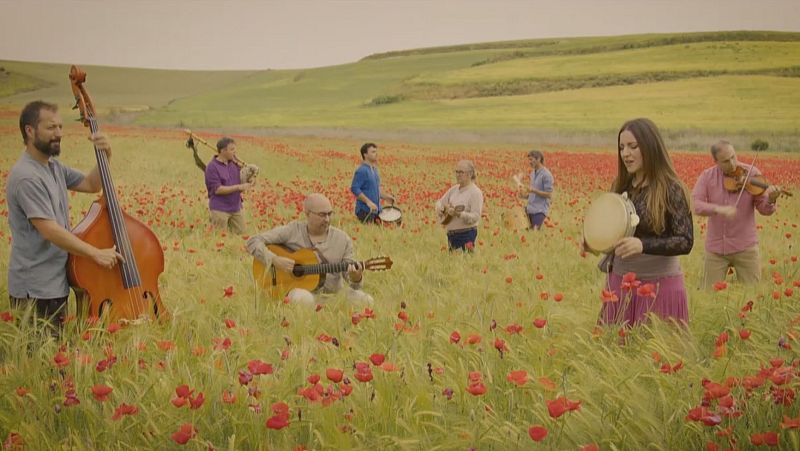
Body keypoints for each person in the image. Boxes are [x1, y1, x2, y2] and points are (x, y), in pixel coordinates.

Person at [6, 101, 123, 329]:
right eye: (51, 128)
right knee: (37, 359)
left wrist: (106, 155)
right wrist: (95, 253)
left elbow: (91, 184)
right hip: (35, 288)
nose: (59, 133)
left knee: (54, 357)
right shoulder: (27, 176)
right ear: (30, 131)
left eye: (60, 127)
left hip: (55, 284)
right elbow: (49, 231)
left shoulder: (53, 167)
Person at [594, 118, 693, 326]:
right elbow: (614, 229)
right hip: (620, 284)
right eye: (621, 147)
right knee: (618, 352)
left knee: (658, 353)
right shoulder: (621, 185)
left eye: (633, 146)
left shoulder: (671, 189)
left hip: (659, 287)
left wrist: (643, 245)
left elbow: (685, 240)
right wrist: (594, 240)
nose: (625, 154)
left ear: (650, 147)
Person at [245, 193, 373, 306]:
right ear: (307, 214)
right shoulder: (292, 230)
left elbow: (354, 285)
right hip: (303, 294)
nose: (327, 219)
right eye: (322, 215)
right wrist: (274, 259)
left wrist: (356, 277)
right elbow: (252, 241)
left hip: (333, 297)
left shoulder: (342, 239)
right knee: (302, 299)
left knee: (366, 300)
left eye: (329, 214)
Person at [692, 140, 782, 289]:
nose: (733, 164)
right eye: (726, 161)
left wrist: (771, 200)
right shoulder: (707, 176)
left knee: (753, 294)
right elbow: (696, 205)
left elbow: (764, 209)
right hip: (716, 249)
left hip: (745, 247)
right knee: (708, 294)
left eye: (733, 157)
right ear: (715, 161)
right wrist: (719, 209)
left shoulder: (752, 174)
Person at [204, 137, 250, 235]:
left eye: (235, 149)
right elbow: (218, 190)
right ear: (223, 151)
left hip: (236, 207)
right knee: (219, 238)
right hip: (219, 209)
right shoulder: (212, 167)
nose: (235, 152)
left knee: (241, 236)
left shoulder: (235, 164)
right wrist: (238, 187)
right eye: (232, 149)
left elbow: (244, 181)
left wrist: (251, 177)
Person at [435, 160, 484, 251]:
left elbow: (476, 216)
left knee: (464, 263)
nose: (457, 174)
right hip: (451, 236)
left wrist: (459, 214)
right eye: (456, 172)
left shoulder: (475, 193)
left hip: (466, 235)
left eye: (461, 172)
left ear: (470, 174)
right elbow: (439, 202)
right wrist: (442, 209)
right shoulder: (453, 190)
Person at [350, 142, 395, 223]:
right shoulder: (362, 170)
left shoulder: (374, 170)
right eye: (373, 152)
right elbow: (354, 188)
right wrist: (368, 202)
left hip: (376, 211)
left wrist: (386, 197)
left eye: (376, 151)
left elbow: (376, 189)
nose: (376, 154)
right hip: (365, 211)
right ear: (365, 155)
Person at [519, 150, 554, 230]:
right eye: (529, 160)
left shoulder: (546, 175)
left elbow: (549, 194)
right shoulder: (533, 173)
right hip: (529, 210)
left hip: (539, 211)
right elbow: (533, 193)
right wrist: (524, 196)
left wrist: (533, 191)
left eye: (531, 159)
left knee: (534, 235)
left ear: (538, 159)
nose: (529, 162)